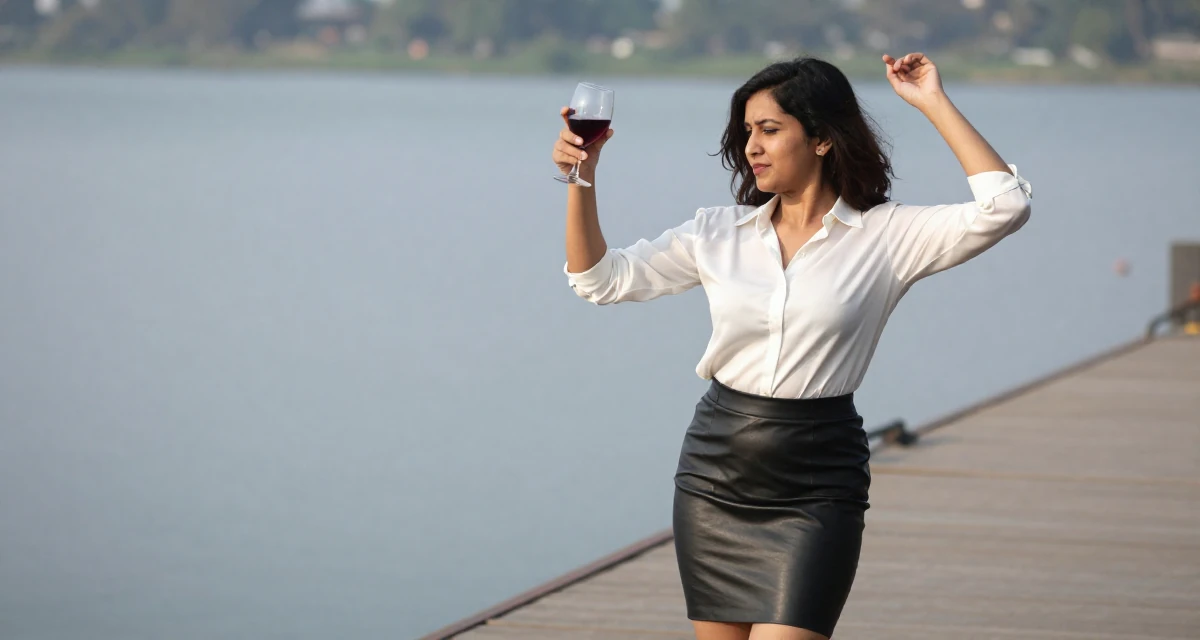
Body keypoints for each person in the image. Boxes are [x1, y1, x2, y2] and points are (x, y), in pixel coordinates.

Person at [550, 53, 1032, 640]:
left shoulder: (888, 236)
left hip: (818, 482)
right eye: (747, 131)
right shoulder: (717, 233)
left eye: (770, 130)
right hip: (715, 475)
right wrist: (582, 175)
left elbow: (1005, 206)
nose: (752, 146)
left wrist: (931, 100)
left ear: (823, 139)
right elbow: (599, 280)